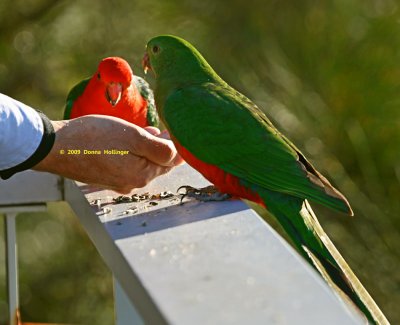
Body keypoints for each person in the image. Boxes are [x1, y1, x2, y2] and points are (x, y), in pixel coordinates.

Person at [0, 93, 183, 193]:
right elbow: (75, 150)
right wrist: (62, 145)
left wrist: (56, 143)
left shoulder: (144, 97)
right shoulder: (80, 96)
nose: (114, 91)